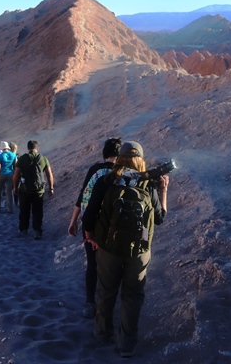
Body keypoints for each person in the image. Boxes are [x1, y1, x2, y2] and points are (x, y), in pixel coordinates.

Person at [81, 141, 169, 358]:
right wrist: (164, 191)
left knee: (106, 290)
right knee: (133, 295)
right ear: (140, 160)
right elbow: (159, 218)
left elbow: (90, 214)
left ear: (119, 158)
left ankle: (103, 333)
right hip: (139, 252)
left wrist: (90, 237)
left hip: (108, 249)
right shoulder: (148, 184)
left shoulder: (106, 180)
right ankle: (127, 345)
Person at [67, 138, 122, 319]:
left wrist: (73, 221)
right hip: (113, 226)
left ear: (104, 154)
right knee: (111, 264)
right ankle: (109, 304)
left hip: (90, 223)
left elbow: (83, 196)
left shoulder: (95, 170)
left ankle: (90, 303)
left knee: (92, 263)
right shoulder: (122, 172)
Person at [12, 140, 54, 240]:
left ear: (28, 148)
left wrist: (15, 187)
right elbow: (49, 174)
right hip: (39, 191)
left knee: (24, 210)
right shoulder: (43, 159)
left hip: (24, 190)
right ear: (37, 148)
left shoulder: (22, 159)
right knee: (38, 211)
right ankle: (37, 231)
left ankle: (24, 229)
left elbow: (16, 174)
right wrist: (51, 187)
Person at [0, 142, 17, 213]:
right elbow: (16, 166)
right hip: (10, 174)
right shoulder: (13, 155)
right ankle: (10, 209)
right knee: (9, 192)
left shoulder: (0, 156)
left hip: (2, 174)